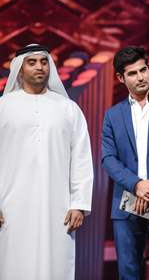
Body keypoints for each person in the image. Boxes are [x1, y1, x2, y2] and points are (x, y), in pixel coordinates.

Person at [0, 44, 94, 279]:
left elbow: (81, 156)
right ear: (19, 70)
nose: (39, 67)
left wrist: (79, 203)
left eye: (43, 62)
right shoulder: (3, 107)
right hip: (11, 207)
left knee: (56, 265)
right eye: (32, 62)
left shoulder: (68, 108)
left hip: (58, 207)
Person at [102, 46, 149, 280]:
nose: (141, 77)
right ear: (120, 78)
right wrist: (137, 185)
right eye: (133, 73)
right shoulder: (113, 115)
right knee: (128, 273)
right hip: (126, 205)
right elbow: (108, 158)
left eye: (143, 70)